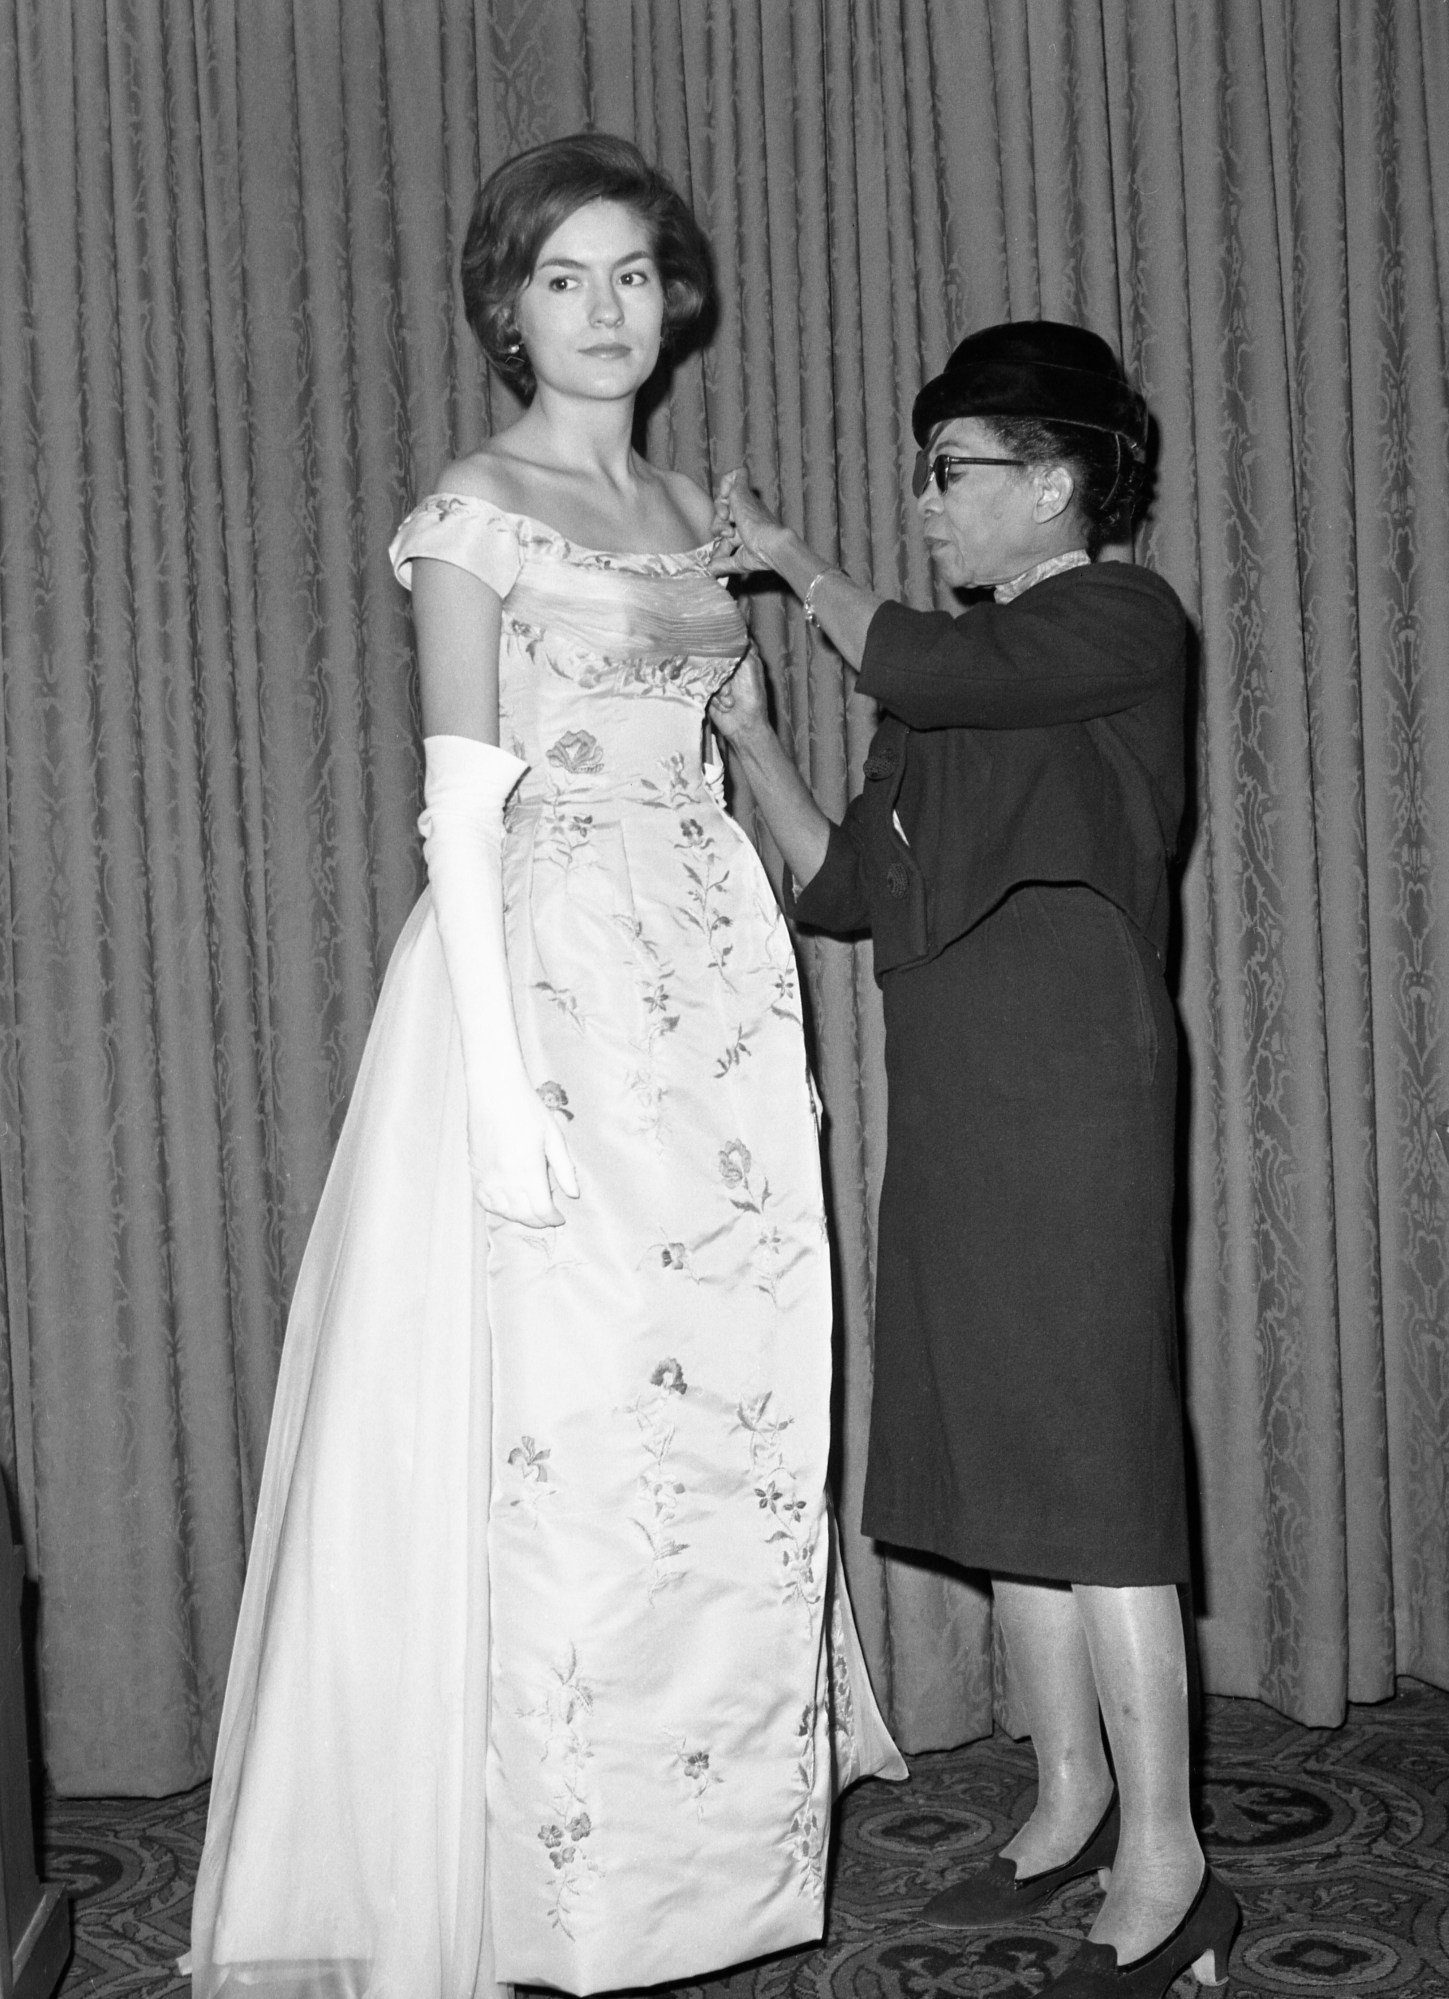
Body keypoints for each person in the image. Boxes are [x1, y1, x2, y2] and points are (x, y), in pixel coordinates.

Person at [189, 133, 901, 1999]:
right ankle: (553, 1889)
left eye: (635, 275)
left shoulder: (688, 517)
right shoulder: (474, 509)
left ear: (675, 303)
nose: (606, 310)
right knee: (572, 1432)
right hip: (550, 985)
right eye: (566, 278)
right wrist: (499, 1095)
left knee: (731, 1421)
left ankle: (705, 1877)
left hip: (718, 997)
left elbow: (728, 745)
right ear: (507, 306)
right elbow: (459, 813)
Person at [707, 321, 1237, 1998]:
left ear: (1056, 483)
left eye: (953, 472)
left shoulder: (1117, 616)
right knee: (1012, 1460)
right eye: (925, 473)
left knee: (1089, 1467)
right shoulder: (953, 670)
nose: (929, 502)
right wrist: (748, 733)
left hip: (1069, 1084)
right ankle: (1068, 1805)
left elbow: (925, 672)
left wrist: (788, 559)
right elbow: (844, 885)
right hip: (957, 1087)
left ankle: (1177, 1867)